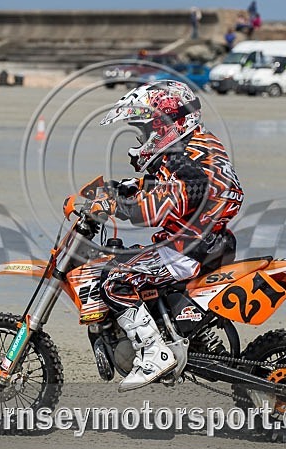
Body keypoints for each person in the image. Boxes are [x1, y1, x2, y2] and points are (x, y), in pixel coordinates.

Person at [95, 80, 243, 391]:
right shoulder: (196, 146)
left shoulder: (185, 159)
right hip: (199, 241)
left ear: (167, 123)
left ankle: (154, 353)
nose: (142, 138)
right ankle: (178, 329)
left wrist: (114, 205)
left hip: (189, 249)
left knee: (116, 282)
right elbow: (164, 190)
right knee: (123, 259)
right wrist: (121, 188)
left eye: (145, 129)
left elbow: (153, 210)